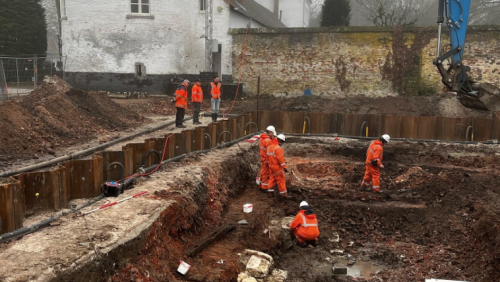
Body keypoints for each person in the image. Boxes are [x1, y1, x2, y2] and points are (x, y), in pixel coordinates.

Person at [267, 134, 288, 198]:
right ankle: (283, 194)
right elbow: (280, 159)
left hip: (270, 166)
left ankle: (270, 192)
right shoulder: (278, 148)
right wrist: (285, 167)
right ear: (280, 141)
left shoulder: (269, 147)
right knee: (281, 180)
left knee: (272, 179)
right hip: (277, 167)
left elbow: (268, 157)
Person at [258, 125, 277, 193]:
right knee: (266, 173)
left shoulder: (261, 138)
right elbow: (270, 151)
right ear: (271, 132)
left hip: (263, 157)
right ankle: (264, 187)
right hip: (266, 158)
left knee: (263, 171)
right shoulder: (268, 140)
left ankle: (261, 185)